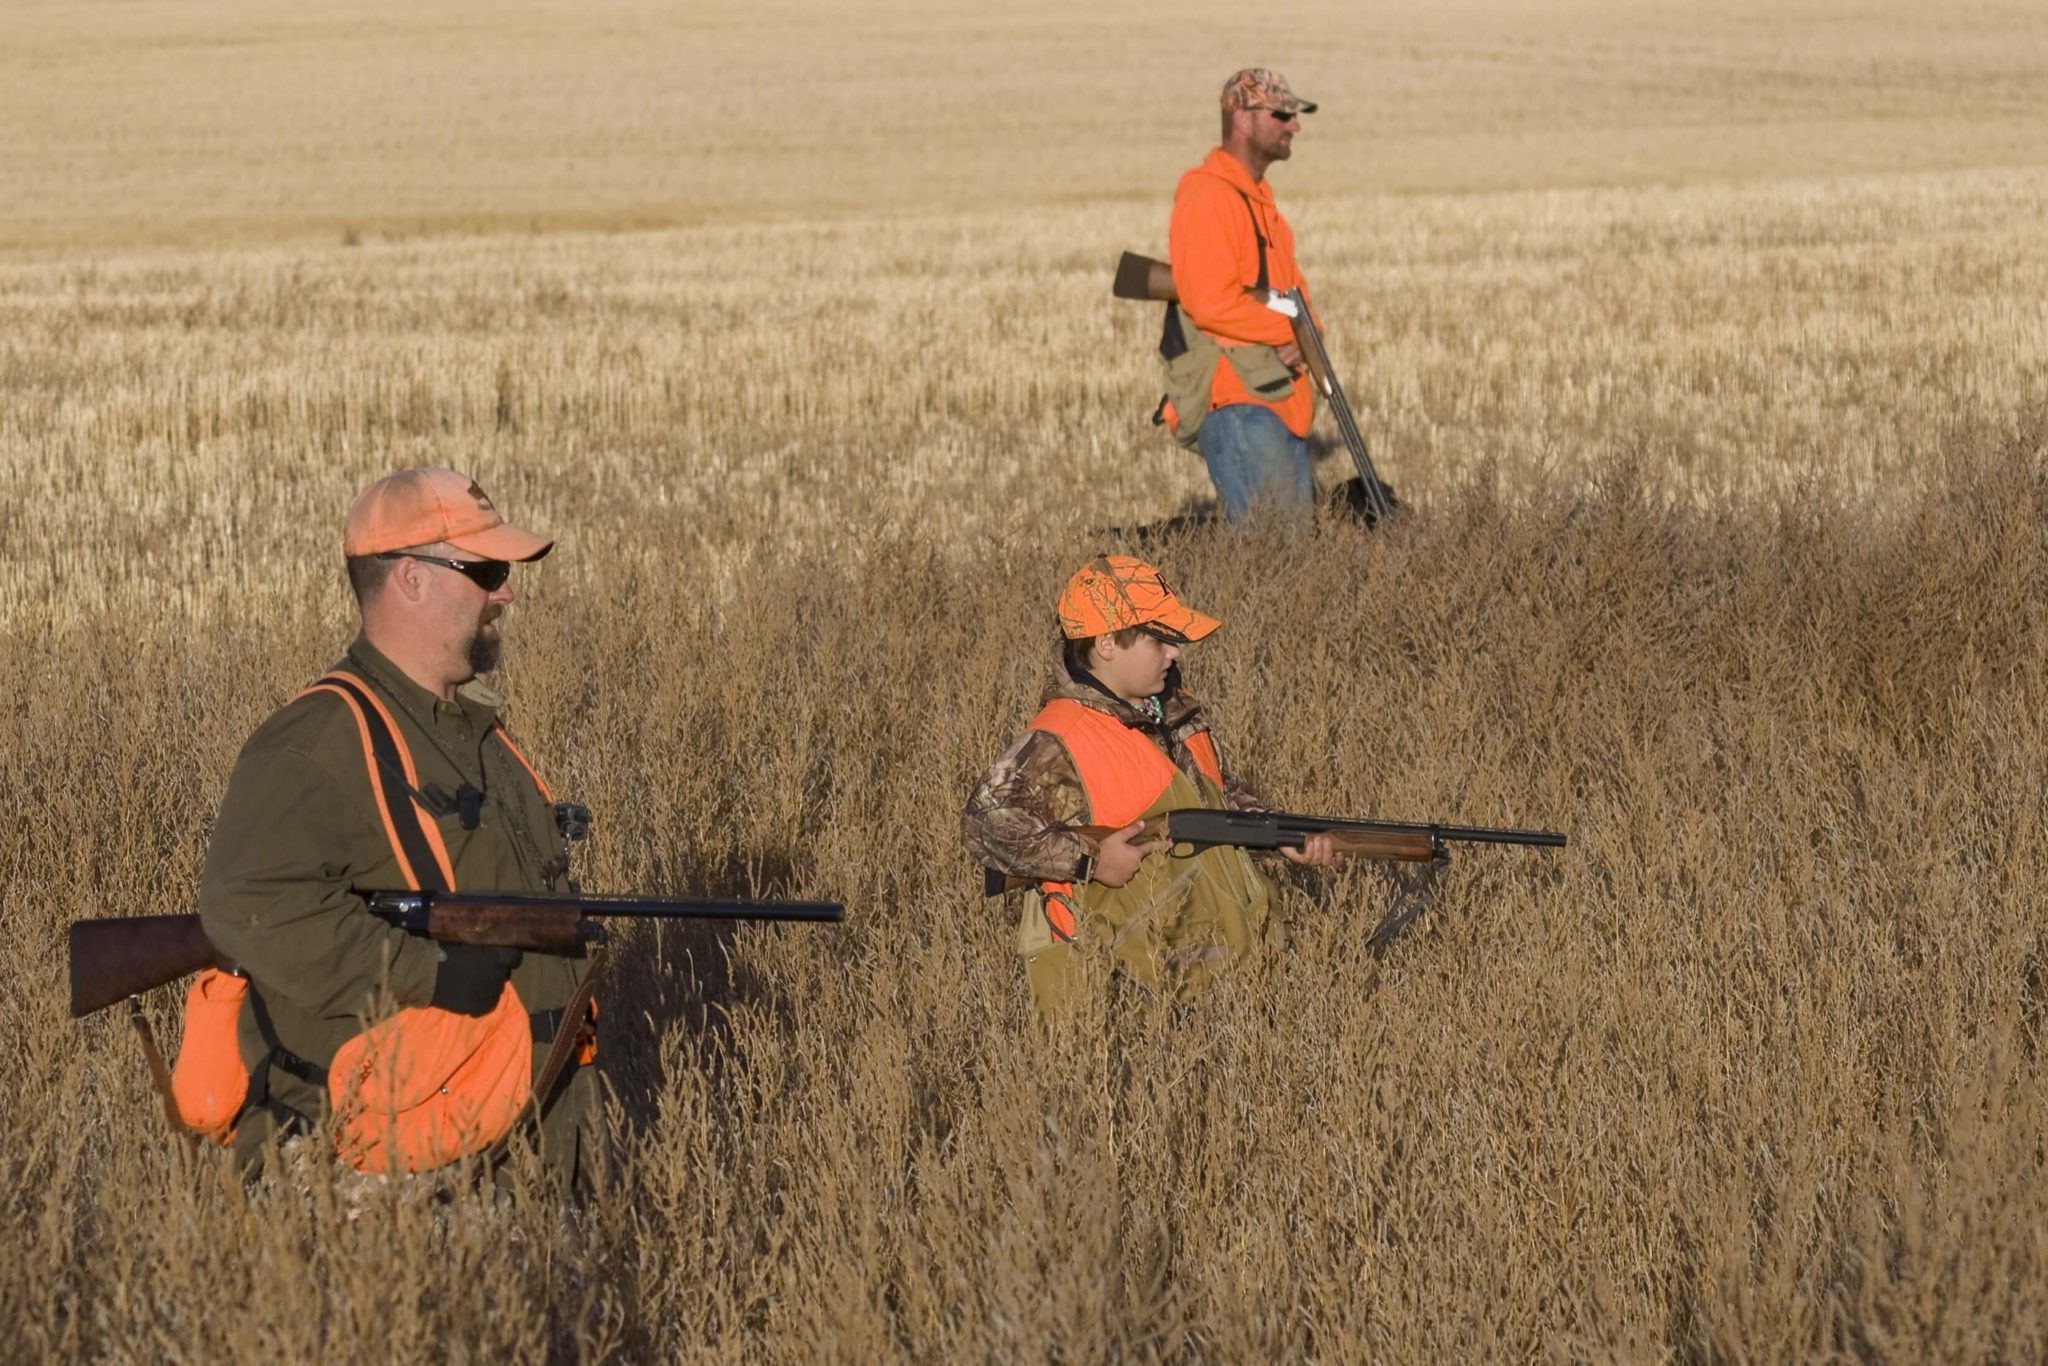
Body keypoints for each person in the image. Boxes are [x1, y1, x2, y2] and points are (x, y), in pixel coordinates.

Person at [191, 468, 597, 1186]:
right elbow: (249, 902)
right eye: (486, 569)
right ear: (411, 578)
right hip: (383, 1181)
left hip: (509, 1147)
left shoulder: (475, 735)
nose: (504, 591)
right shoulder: (317, 743)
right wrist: (426, 971)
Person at [962, 555, 1336, 1015]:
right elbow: (986, 821)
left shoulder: (1173, 716)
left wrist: (1278, 837)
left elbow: (1214, 799)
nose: (1175, 652)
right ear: (1106, 643)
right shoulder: (1061, 737)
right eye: (1158, 640)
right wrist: (1091, 859)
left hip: (1204, 970)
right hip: (1120, 990)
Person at [1161, 67, 1322, 523]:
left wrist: (1308, 334)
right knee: (1271, 562)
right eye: (1282, 114)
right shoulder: (1210, 198)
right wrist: (1293, 329)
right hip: (1239, 403)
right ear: (1243, 120)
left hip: (1273, 399)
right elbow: (1211, 303)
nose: (1295, 125)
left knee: (1290, 559)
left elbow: (1294, 297)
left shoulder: (1258, 202)